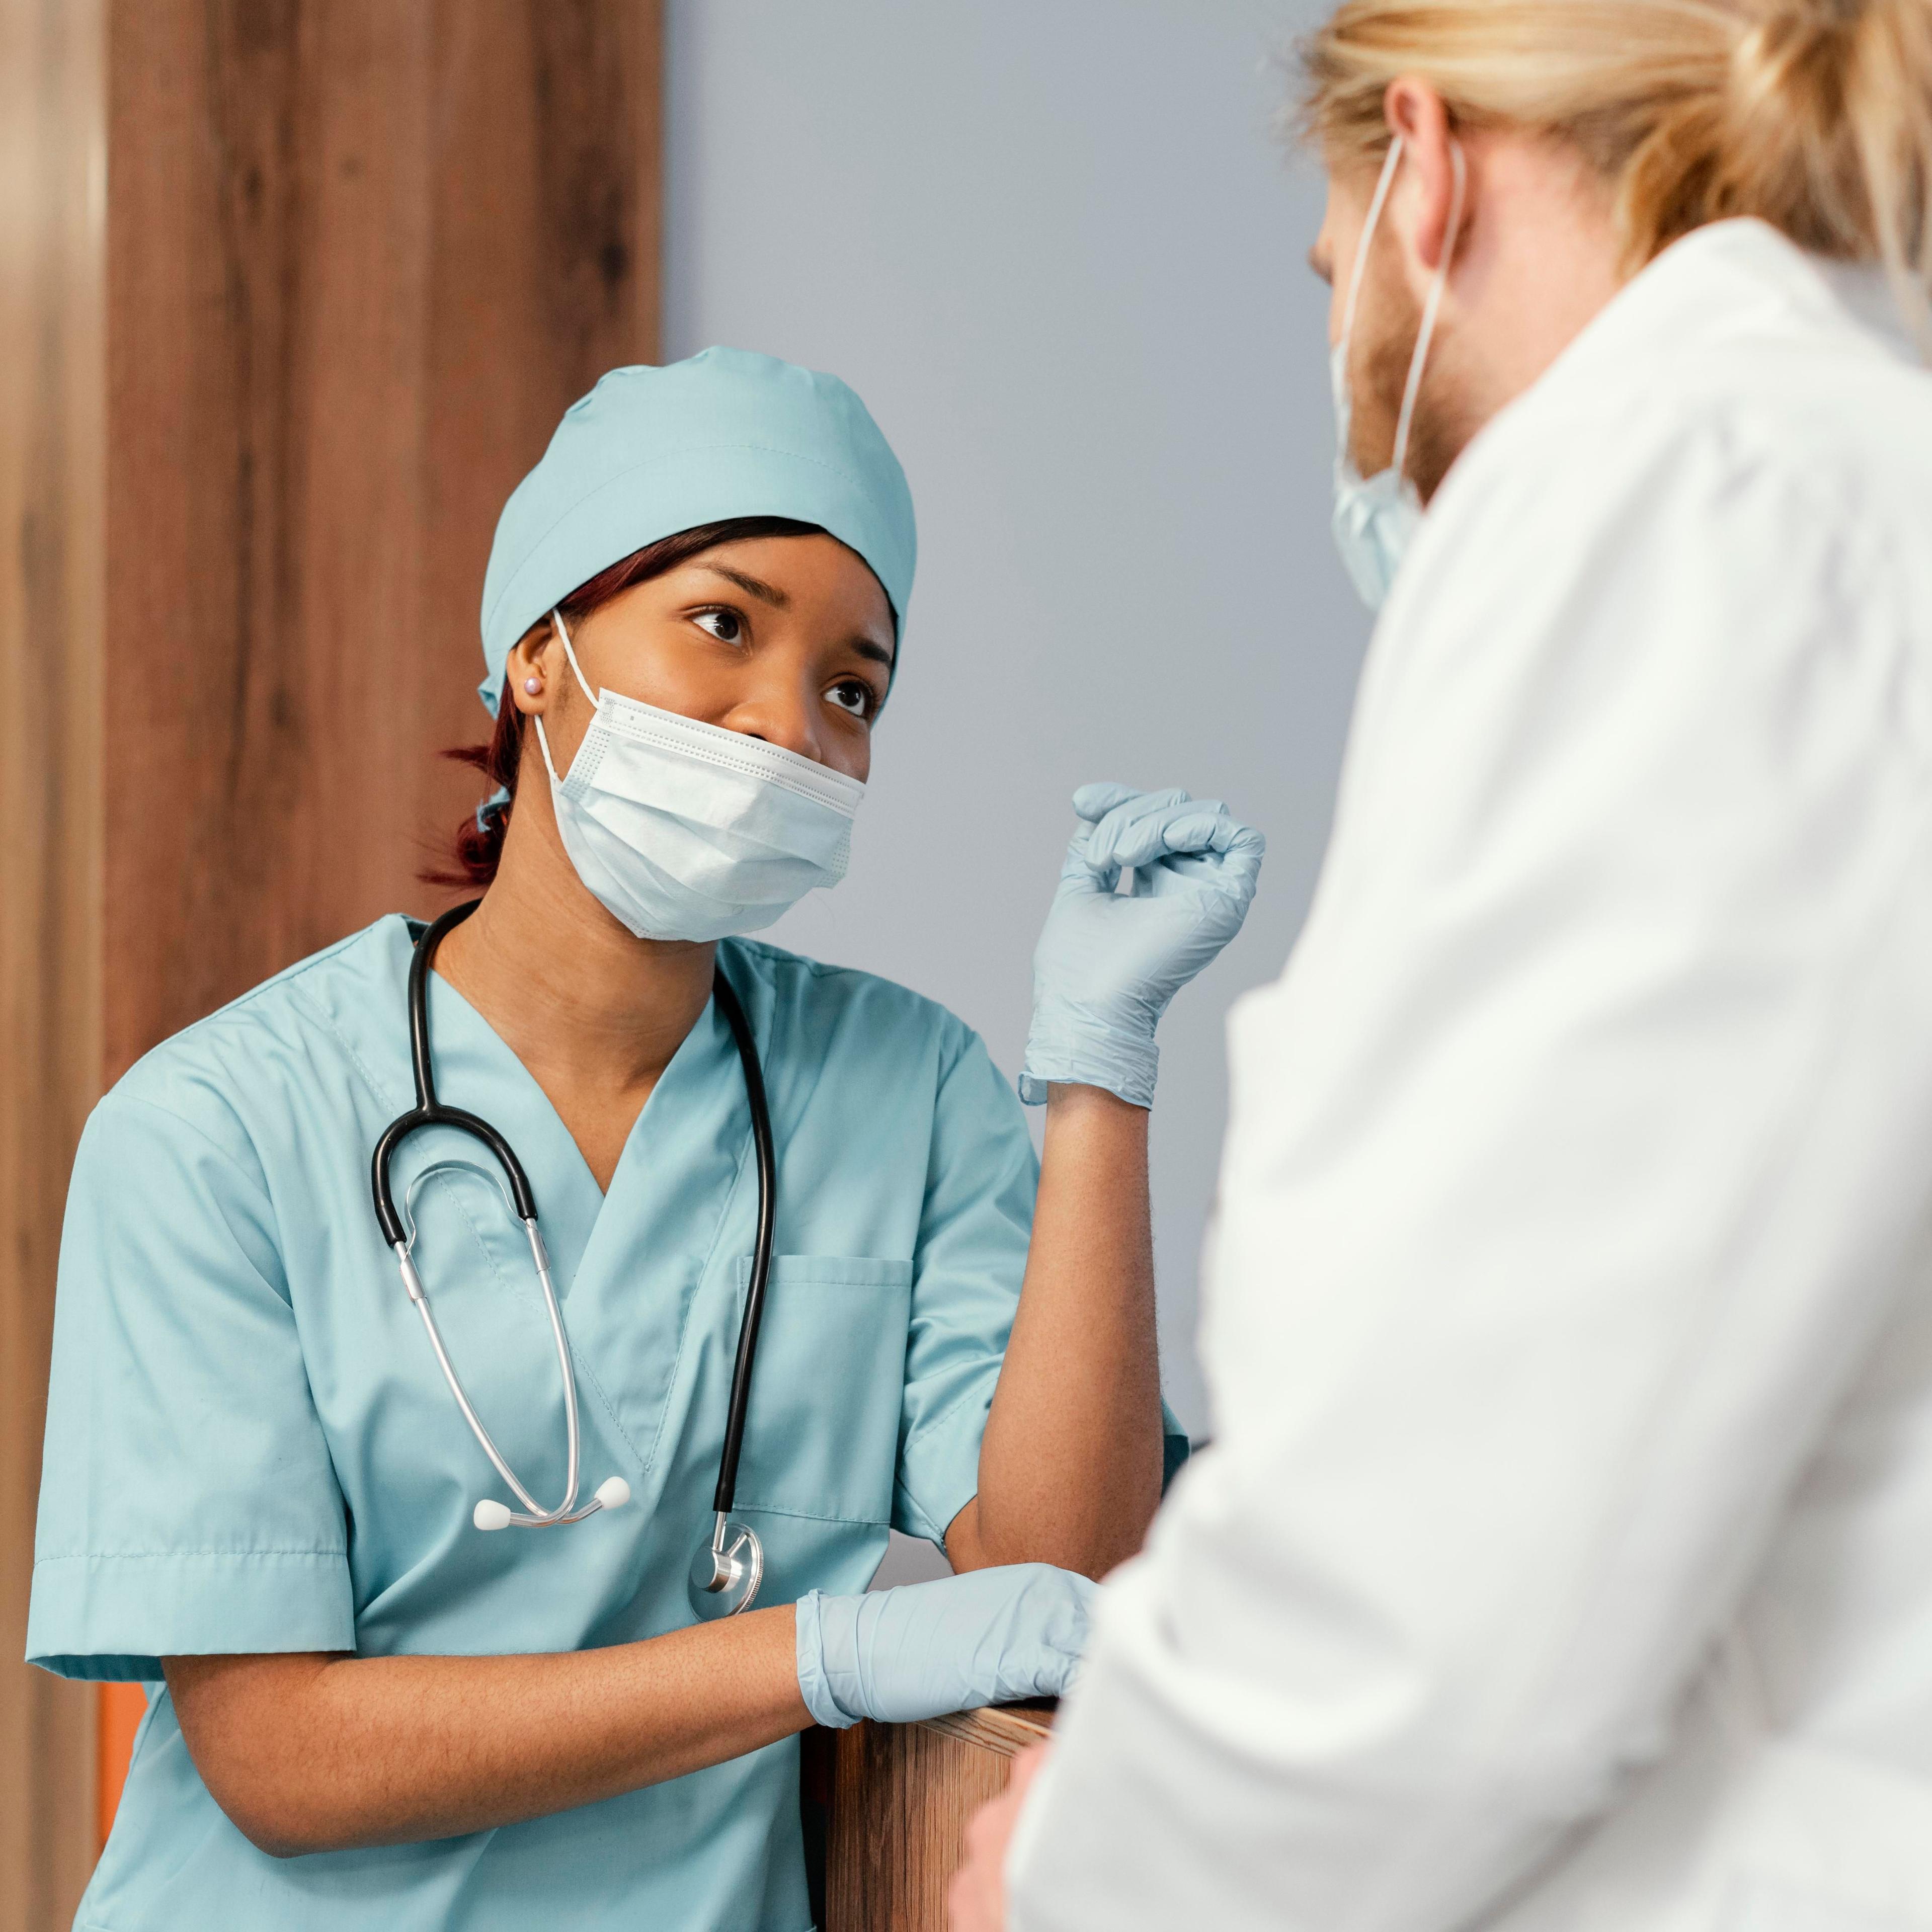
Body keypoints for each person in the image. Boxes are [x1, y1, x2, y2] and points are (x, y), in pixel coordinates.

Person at [25, 347, 1261, 1930]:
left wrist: (1100, 1075)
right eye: (724, 625)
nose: (785, 725)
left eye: (853, 687)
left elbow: (1057, 1579)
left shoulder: (906, 1090)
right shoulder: (213, 1130)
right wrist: (815, 1659)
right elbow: (279, 1757)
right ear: (537, 655)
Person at [952, 1, 1932, 1926]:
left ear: (1429, 166)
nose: (1346, 356)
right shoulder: (1848, 468)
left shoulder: (1675, 494)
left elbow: (1435, 1568)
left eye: (1333, 267)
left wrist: (1088, 1863)